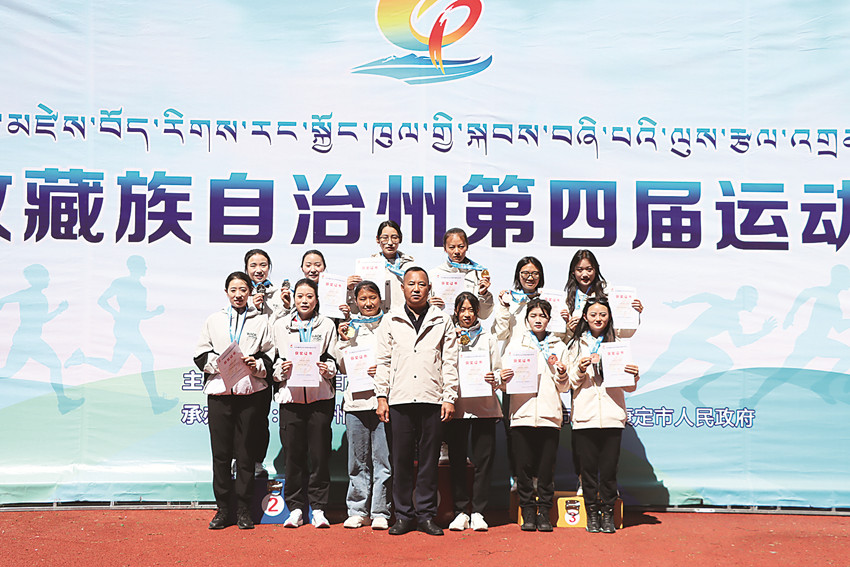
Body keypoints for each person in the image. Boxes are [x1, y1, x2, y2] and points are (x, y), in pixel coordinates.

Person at [374, 267, 459, 536]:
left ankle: (425, 515)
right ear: (403, 288)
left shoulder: (442, 319)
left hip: (432, 398)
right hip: (399, 399)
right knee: (400, 461)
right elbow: (383, 361)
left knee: (428, 461)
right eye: (411, 284)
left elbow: (450, 362)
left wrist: (449, 397)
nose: (416, 289)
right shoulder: (391, 319)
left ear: (429, 288)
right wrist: (381, 396)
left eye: (422, 284)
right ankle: (403, 515)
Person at [193, 271, 274, 530]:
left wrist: (256, 363)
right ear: (226, 292)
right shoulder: (214, 320)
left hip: (249, 394)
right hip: (220, 395)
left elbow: (270, 355)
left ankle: (243, 510)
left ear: (250, 292)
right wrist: (217, 363)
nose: (238, 295)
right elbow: (200, 354)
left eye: (243, 290)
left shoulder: (261, 321)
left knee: (245, 454)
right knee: (220, 454)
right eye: (233, 290)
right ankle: (223, 509)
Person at [567, 298, 640, 534]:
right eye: (593, 314)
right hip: (585, 417)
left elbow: (629, 387)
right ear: (585, 317)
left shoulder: (618, 345)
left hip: (611, 416)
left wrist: (634, 376)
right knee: (587, 471)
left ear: (609, 317)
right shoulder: (575, 345)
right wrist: (580, 369)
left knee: (609, 470)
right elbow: (567, 383)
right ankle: (591, 513)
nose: (598, 318)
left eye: (603, 314)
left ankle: (608, 512)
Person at [272, 278, 338, 529]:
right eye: (300, 296)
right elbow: (272, 359)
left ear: (317, 299)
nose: (304, 300)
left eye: (309, 296)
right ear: (293, 298)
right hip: (291, 399)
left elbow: (334, 358)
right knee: (293, 456)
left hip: (320, 398)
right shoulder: (280, 325)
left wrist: (328, 369)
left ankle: (319, 508)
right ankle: (296, 508)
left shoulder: (327, 325)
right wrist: (279, 370)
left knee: (319, 456)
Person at [500, 298, 569, 533]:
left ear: (549, 319)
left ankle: (545, 511)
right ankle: (528, 510)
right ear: (527, 319)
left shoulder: (559, 346)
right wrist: (504, 378)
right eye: (534, 315)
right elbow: (503, 382)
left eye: (543, 316)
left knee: (546, 468)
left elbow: (565, 387)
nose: (538, 320)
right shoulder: (515, 344)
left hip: (549, 415)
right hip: (522, 414)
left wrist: (562, 373)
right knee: (523, 467)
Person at [333, 280, 392, 530]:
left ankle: (380, 511)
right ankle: (357, 510)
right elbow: (342, 367)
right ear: (355, 302)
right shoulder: (350, 328)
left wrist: (383, 369)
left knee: (383, 460)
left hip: (383, 401)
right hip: (355, 403)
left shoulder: (390, 324)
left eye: (372, 297)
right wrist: (344, 341)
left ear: (380, 299)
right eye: (363, 299)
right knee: (357, 462)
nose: (368, 303)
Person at [445, 292, 501, 532]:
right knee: (457, 460)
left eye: (471, 310)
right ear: (456, 312)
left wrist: (494, 377)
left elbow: (499, 370)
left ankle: (478, 511)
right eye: (462, 310)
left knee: (483, 462)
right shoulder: (449, 336)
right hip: (457, 408)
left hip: (484, 408)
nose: (466, 314)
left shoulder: (488, 338)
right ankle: (460, 511)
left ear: (477, 312)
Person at [0, 264, 84, 414]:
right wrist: (59, 310)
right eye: (46, 276)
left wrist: (58, 310)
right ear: (36, 279)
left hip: (27, 339)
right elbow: (42, 319)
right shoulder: (32, 295)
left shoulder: (32, 295)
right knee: (54, 365)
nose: (48, 279)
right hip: (29, 340)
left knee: (8, 371)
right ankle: (63, 402)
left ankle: (63, 402)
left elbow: (5, 301)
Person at [563, 249, 643, 337]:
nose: (585, 274)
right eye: (580, 270)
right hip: (580, 343)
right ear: (573, 271)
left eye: (589, 269)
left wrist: (634, 313)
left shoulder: (607, 292)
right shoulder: (567, 298)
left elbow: (622, 332)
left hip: (605, 342)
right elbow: (561, 338)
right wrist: (569, 329)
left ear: (596, 270)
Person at [348, 220, 414, 315]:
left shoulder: (410, 266)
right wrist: (350, 289)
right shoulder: (369, 265)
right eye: (385, 238)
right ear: (377, 239)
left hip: (403, 319)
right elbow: (357, 306)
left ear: (400, 239)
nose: (390, 242)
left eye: (394, 237)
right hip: (377, 320)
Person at [429, 228, 493, 320]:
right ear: (445, 248)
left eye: (461, 246)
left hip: (468, 327)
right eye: (452, 247)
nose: (456, 251)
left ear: (467, 246)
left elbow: (484, 315)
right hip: (442, 326)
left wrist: (484, 294)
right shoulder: (434, 274)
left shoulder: (478, 273)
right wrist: (428, 304)